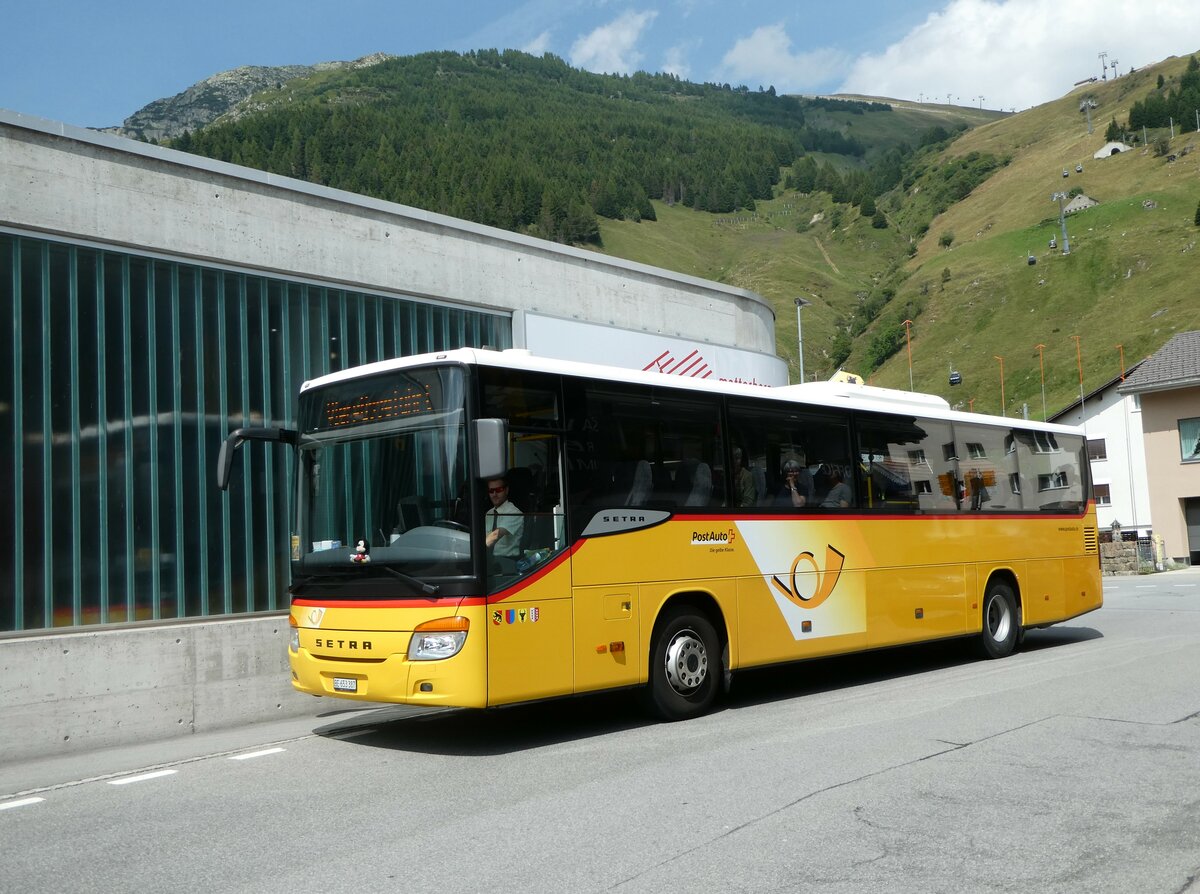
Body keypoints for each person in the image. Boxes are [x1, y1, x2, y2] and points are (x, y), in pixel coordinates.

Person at [484, 476, 524, 560]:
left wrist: (475, 551)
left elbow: (496, 534)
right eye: (491, 491)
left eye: (498, 490)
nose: (494, 494)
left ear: (506, 490)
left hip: (507, 561)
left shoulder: (514, 512)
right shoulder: (489, 513)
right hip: (489, 560)